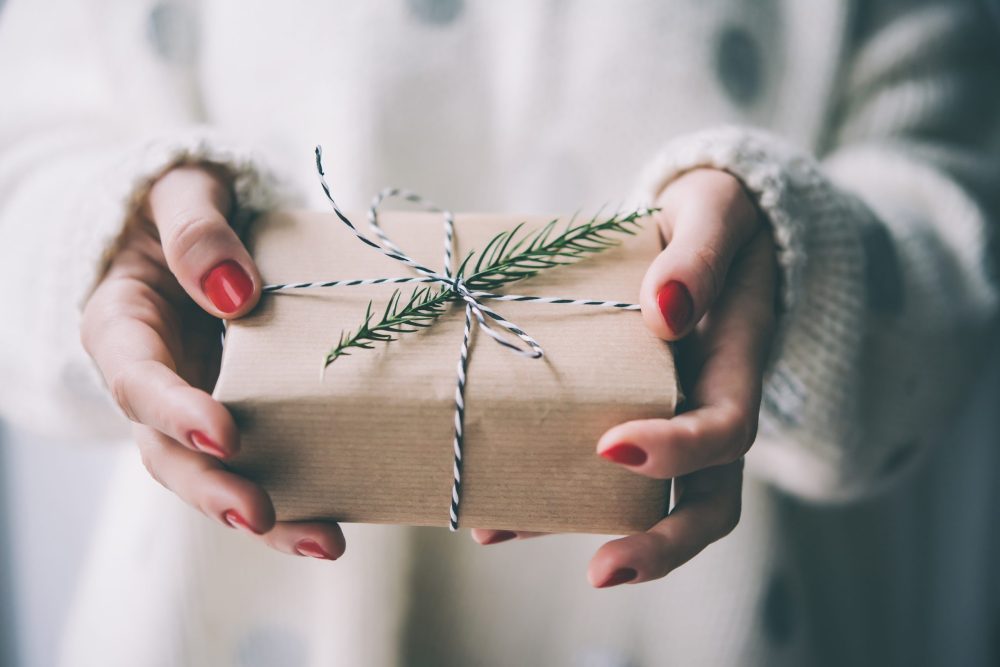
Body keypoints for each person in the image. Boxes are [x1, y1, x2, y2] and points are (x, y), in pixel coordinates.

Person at [1, 1, 998, 664]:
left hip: (719, 621)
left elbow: (956, 221)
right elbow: (26, 157)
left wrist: (793, 269)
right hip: (237, 621)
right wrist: (109, 244)